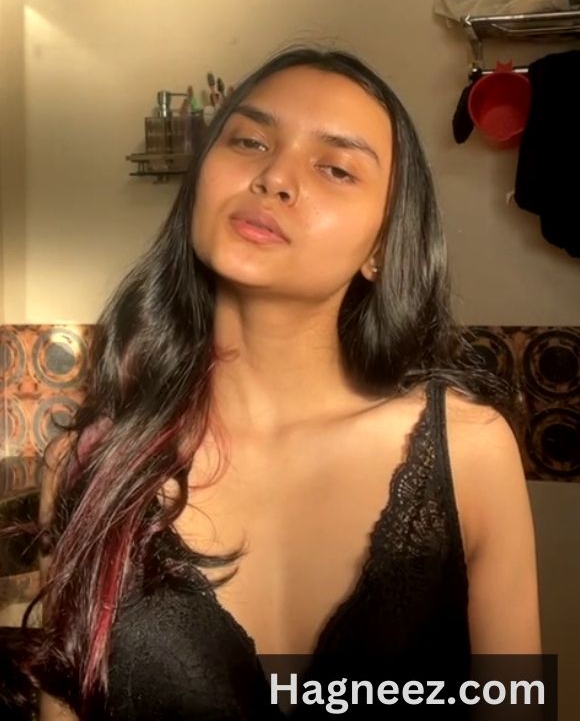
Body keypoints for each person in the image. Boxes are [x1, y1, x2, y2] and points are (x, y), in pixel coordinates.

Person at [11, 46, 540, 719]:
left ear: (384, 246)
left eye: (336, 168)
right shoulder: (89, 467)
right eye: (250, 141)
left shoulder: (470, 449)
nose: (275, 177)